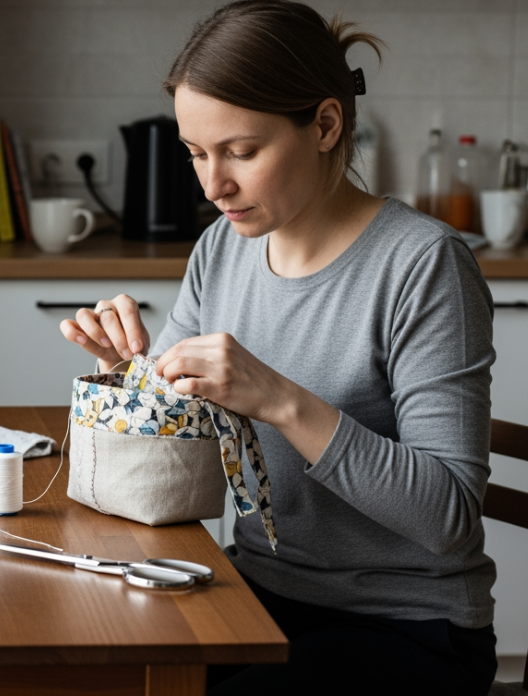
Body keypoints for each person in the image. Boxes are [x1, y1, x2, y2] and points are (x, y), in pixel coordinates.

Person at [58, 2, 498, 694]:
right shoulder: (222, 250)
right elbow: (189, 429)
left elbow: (447, 516)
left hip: (404, 625)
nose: (212, 186)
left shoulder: (422, 265)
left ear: (325, 125)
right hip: (255, 592)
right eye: (197, 153)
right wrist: (126, 376)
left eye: (241, 151)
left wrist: (283, 400)